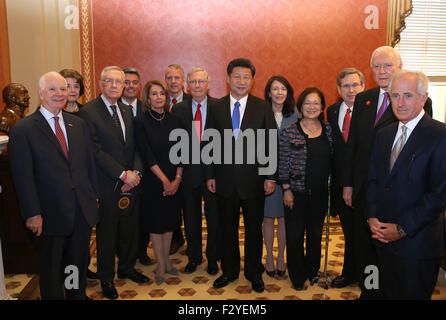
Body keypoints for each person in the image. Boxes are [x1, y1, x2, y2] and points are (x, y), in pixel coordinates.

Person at [342, 46, 432, 299]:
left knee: (392, 248)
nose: (382, 71)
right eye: (377, 66)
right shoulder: (364, 98)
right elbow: (353, 146)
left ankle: (387, 292)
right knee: (366, 246)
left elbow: (421, 152)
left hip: (399, 193)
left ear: (399, 66)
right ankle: (370, 291)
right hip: (365, 188)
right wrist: (348, 184)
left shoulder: (417, 101)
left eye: (388, 66)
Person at [8, 72, 99, 299]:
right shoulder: (24, 130)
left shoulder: (78, 124)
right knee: (51, 271)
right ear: (40, 93)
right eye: (52, 89)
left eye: (62, 89)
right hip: (48, 215)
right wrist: (32, 214)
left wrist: (93, 198)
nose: (60, 94)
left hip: (80, 211)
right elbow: (23, 178)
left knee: (76, 266)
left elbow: (88, 165)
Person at [366, 70, 446, 299]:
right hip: (382, 241)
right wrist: (371, 217)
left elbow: (439, 194)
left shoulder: (440, 135)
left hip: (417, 245)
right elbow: (372, 179)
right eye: (395, 95)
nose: (400, 103)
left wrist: (401, 229)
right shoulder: (383, 134)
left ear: (423, 98)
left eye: (408, 96)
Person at [206, 58, 277, 293]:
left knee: (254, 231)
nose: (241, 81)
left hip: (254, 181)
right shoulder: (215, 107)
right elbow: (209, 143)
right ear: (228, 79)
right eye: (237, 76)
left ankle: (254, 273)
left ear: (252, 80)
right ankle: (229, 271)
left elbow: (270, 143)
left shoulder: (262, 107)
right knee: (227, 229)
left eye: (246, 77)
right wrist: (210, 175)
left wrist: (270, 176)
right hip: (224, 180)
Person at [78, 66, 149, 300]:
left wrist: (135, 173)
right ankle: (106, 277)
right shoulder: (89, 111)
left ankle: (127, 268)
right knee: (107, 234)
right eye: (110, 81)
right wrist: (122, 174)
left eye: (119, 82)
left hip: (131, 183)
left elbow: (135, 147)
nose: (115, 86)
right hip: (106, 183)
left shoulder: (127, 110)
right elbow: (95, 151)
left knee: (130, 229)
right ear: (101, 83)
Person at [279, 87, 333, 290]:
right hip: (296, 193)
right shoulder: (289, 131)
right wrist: (286, 189)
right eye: (307, 103)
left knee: (315, 234)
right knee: (294, 236)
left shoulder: (328, 130)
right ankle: (297, 276)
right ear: (301, 107)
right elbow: (283, 162)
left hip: (320, 193)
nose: (311, 107)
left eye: (316, 103)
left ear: (322, 107)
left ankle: (312, 271)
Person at [134, 80, 184, 285]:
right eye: (154, 94)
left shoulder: (176, 120)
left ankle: (167, 262)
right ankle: (161, 265)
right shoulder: (141, 121)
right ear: (147, 97)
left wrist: (177, 179)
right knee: (156, 224)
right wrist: (165, 180)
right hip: (154, 180)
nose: (159, 97)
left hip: (175, 178)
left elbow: (182, 152)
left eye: (162, 94)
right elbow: (146, 154)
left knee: (170, 221)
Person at [172, 67, 220, 275]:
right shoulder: (179, 109)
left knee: (214, 218)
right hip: (189, 173)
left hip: (214, 174)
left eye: (201, 82)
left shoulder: (219, 107)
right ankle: (194, 257)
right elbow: (176, 143)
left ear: (208, 84)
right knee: (190, 219)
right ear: (187, 85)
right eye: (193, 82)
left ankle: (212, 258)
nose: (197, 86)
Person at [326, 68, 365, 288]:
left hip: (363, 184)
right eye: (346, 86)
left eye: (355, 85)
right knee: (348, 232)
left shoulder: (370, 112)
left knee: (365, 233)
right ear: (339, 89)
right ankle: (349, 272)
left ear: (363, 86)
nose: (351, 90)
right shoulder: (332, 111)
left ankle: (366, 276)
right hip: (341, 183)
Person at [262, 76, 298, 278]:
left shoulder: (295, 115)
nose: (279, 93)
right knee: (267, 218)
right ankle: (268, 256)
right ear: (269, 92)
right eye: (275, 89)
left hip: (289, 175)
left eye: (283, 88)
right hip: (266, 174)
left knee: (284, 218)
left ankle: (281, 257)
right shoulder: (260, 112)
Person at [119, 67, 152, 266]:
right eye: (127, 82)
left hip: (146, 174)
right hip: (119, 175)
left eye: (134, 83)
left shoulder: (146, 108)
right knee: (123, 220)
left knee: (143, 217)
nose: (130, 86)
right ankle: (124, 256)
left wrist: (138, 172)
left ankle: (142, 252)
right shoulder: (112, 109)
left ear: (139, 86)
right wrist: (125, 174)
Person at [164, 64, 190, 254]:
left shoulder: (193, 101)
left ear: (183, 81)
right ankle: (176, 236)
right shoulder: (158, 100)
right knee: (170, 203)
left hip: (189, 162)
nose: (173, 81)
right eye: (169, 77)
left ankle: (192, 242)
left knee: (188, 205)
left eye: (177, 78)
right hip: (166, 161)